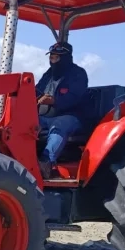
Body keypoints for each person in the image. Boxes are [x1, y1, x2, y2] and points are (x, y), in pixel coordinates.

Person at [35, 41, 89, 179]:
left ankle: (46, 162)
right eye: (51, 57)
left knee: (58, 125)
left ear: (65, 58)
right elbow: (37, 90)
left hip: (72, 116)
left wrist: (53, 101)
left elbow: (74, 97)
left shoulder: (78, 74)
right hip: (47, 116)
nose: (52, 60)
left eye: (56, 57)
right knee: (24, 122)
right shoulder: (49, 74)